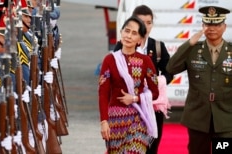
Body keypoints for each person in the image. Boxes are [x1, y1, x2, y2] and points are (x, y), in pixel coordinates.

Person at [166, 6, 231, 154]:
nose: (212, 28)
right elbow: (171, 68)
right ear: (202, 26)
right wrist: (189, 44)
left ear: (224, 27)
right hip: (198, 119)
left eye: (217, 24)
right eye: (208, 24)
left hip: (226, 120)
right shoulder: (193, 50)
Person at [98, 16, 159, 154]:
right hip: (115, 121)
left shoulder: (146, 61)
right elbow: (103, 93)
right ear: (121, 32)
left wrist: (135, 98)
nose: (129, 36)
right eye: (127, 31)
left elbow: (155, 93)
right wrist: (104, 122)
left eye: (134, 33)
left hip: (138, 119)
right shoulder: (110, 60)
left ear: (140, 39)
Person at [131, 5, 173, 154]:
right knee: (131, 145)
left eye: (149, 22)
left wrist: (160, 81)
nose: (146, 26)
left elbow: (170, 71)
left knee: (152, 145)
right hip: (130, 105)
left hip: (153, 105)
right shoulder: (124, 45)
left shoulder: (157, 46)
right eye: (142, 22)